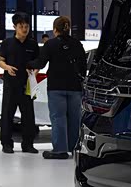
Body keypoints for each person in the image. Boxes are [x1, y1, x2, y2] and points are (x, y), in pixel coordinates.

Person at [27, 16, 87, 159]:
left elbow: (40, 63)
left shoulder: (50, 44)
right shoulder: (77, 44)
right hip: (75, 87)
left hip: (56, 87)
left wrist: (26, 63)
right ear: (68, 29)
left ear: (55, 30)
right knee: (74, 118)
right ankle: (74, 148)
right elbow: (83, 66)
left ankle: (60, 150)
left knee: (58, 118)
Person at [0, 13, 39, 154]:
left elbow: (38, 63)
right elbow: (1, 61)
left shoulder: (33, 44)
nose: (24, 29)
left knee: (28, 115)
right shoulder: (7, 43)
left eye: (26, 26)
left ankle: (28, 144)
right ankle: (6, 144)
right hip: (11, 84)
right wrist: (7, 67)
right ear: (14, 27)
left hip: (28, 84)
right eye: (21, 26)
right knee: (7, 114)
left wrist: (35, 72)